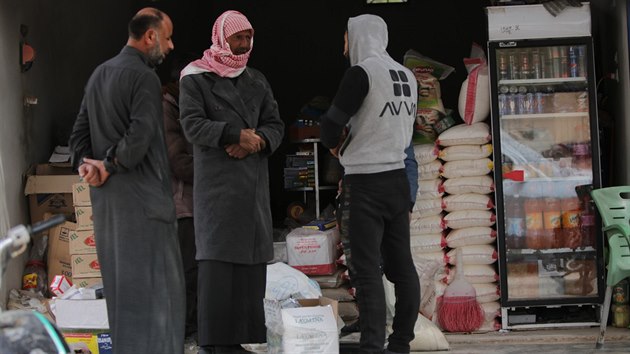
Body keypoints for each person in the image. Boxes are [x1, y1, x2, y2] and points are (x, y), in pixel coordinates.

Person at [68, 8, 185, 354]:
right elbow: (141, 135)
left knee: (123, 299)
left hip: (109, 210)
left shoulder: (99, 74)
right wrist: (108, 164)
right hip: (145, 207)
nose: (171, 45)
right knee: (161, 301)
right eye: (167, 38)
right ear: (150, 37)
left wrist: (86, 167)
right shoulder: (144, 78)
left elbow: (78, 135)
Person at [178, 10, 284, 354]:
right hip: (217, 187)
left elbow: (275, 124)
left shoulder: (257, 79)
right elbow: (192, 125)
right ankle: (216, 342)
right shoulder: (195, 77)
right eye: (239, 37)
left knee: (249, 267)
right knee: (218, 266)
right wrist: (234, 135)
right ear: (222, 38)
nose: (244, 44)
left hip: (250, 185)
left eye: (249, 37)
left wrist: (260, 140)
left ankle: (240, 338)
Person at [320, 14, 420, 354]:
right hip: (397, 182)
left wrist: (334, 145)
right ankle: (401, 343)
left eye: (346, 38)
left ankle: (372, 347)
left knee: (365, 271)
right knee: (403, 267)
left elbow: (330, 125)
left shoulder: (360, 74)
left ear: (358, 36)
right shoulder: (406, 75)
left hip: (364, 183)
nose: (344, 46)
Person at [162, 53, 198, 341]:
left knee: (194, 271)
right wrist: (217, 174)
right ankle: (185, 330)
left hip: (194, 203)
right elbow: (179, 161)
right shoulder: (167, 108)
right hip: (180, 203)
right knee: (186, 272)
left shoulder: (186, 107)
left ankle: (192, 327)